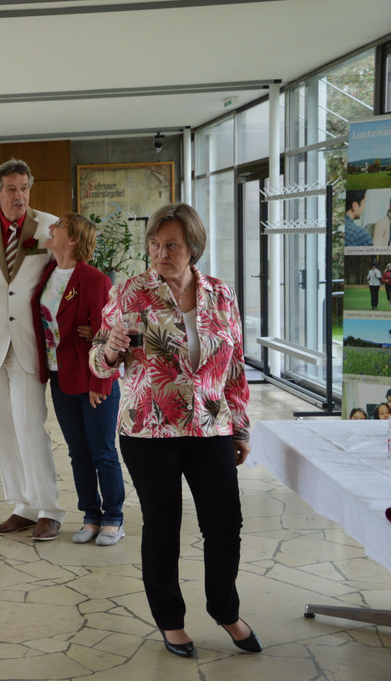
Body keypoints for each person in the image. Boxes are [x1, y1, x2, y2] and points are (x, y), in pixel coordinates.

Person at [90, 202, 261, 658]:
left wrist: (240, 428)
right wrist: (110, 350)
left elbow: (234, 367)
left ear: (193, 248)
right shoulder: (130, 292)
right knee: (163, 527)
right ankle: (171, 621)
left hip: (211, 425)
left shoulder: (220, 293)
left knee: (224, 525)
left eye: (172, 245)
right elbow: (99, 363)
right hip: (148, 430)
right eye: (154, 244)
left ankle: (225, 610)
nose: (161, 253)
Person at [0, 158, 66, 541]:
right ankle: (22, 506)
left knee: (30, 426)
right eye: (12, 189)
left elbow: (63, 275)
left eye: (24, 188)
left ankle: (49, 509)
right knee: (3, 428)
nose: (20, 196)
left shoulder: (50, 225)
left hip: (28, 341)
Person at [31, 212, 124, 546]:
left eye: (58, 226)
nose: (50, 227)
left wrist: (100, 382)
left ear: (72, 239)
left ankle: (113, 518)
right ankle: (90, 516)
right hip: (60, 376)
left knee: (102, 451)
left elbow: (108, 333)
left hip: (92, 378)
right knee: (78, 453)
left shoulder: (95, 279)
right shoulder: (47, 273)